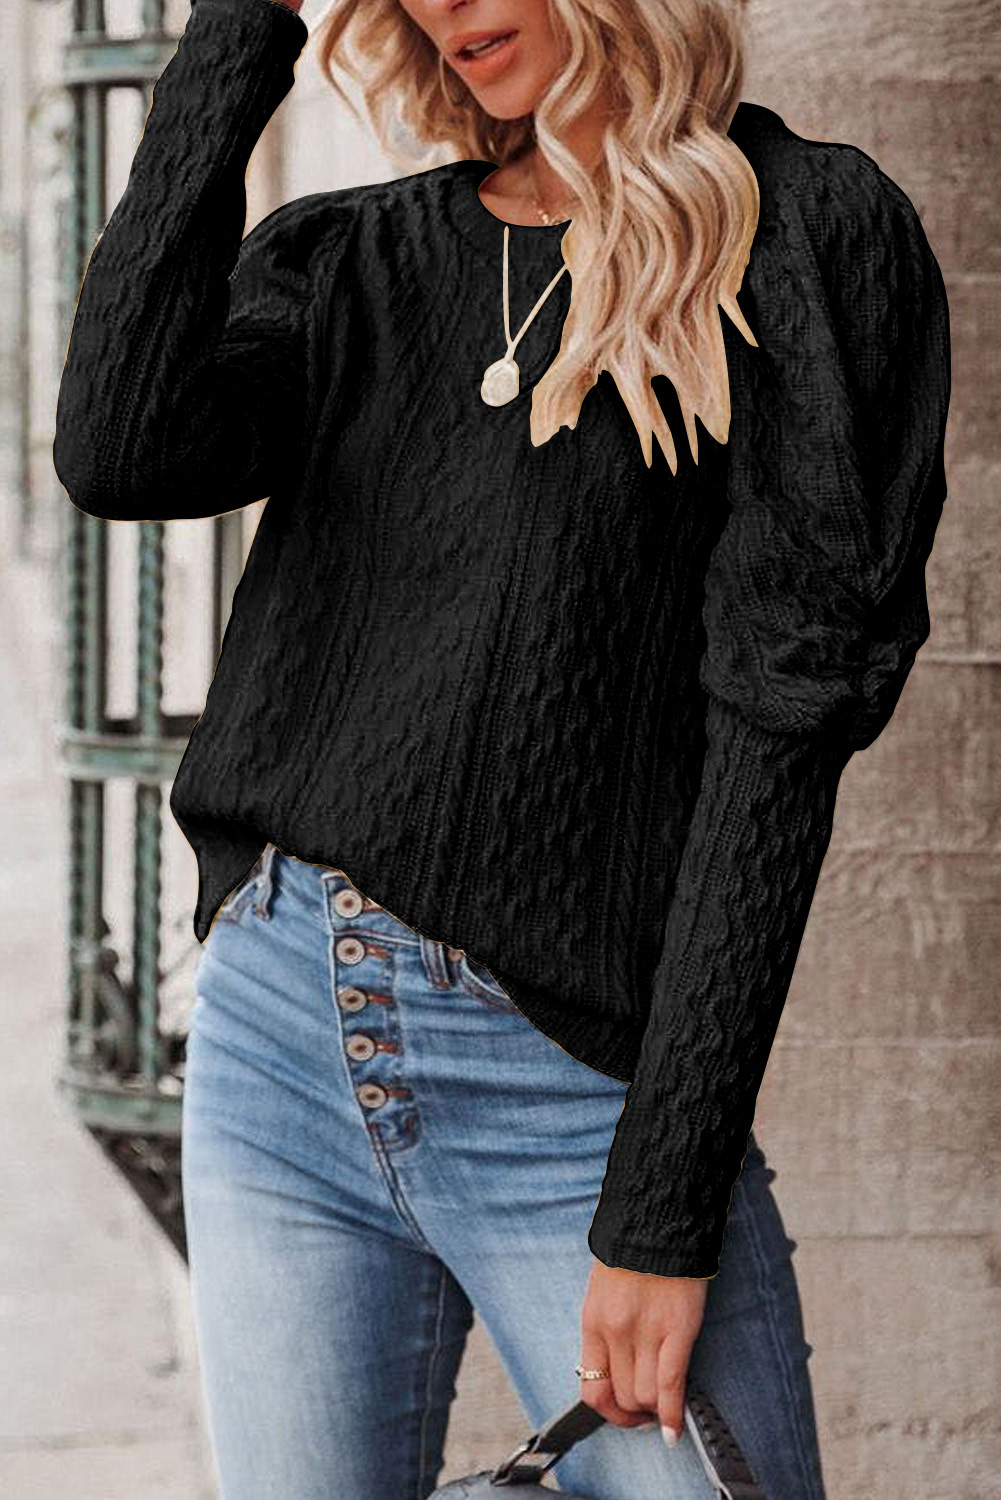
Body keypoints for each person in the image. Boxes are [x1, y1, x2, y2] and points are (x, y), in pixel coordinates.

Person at [51, 0, 952, 1496]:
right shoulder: (351, 258)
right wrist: (238, 36)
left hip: (569, 1091)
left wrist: (662, 1213)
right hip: (279, 1038)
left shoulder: (801, 234)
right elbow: (119, 448)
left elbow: (783, 734)